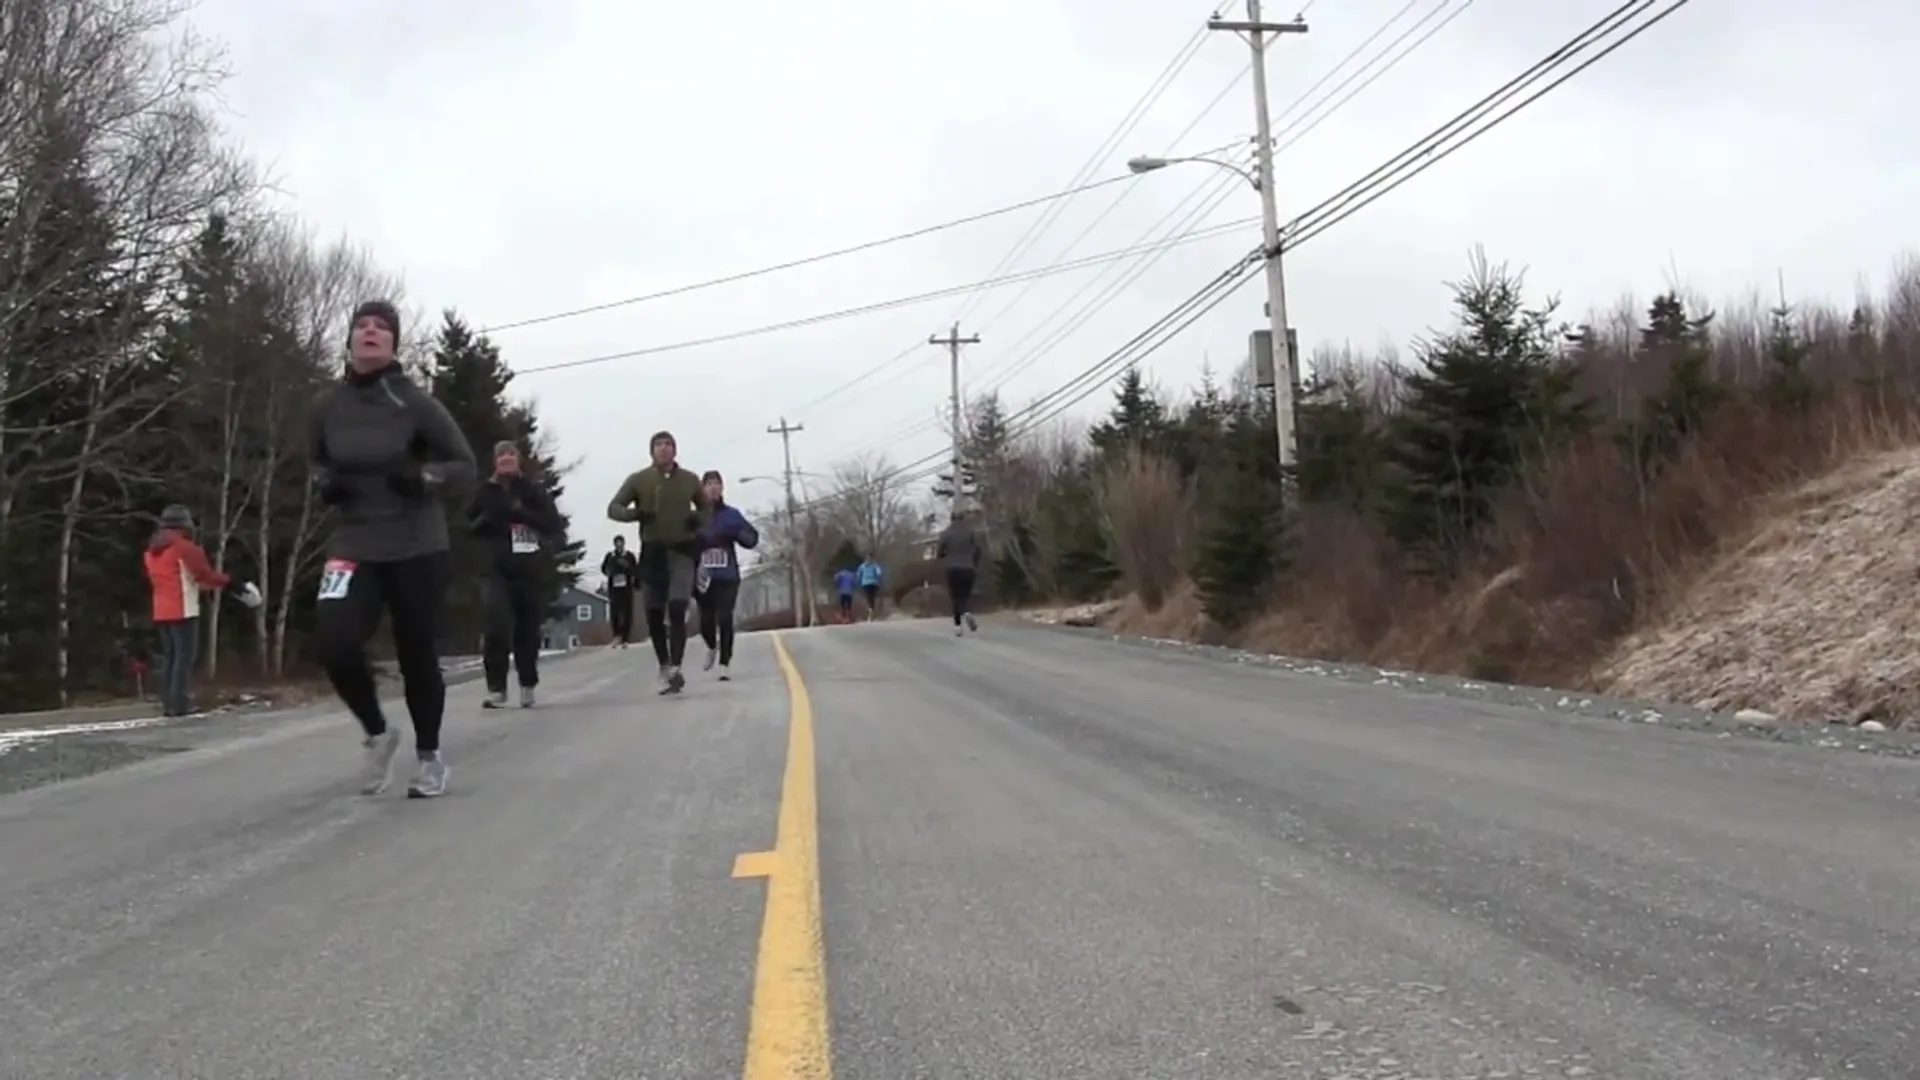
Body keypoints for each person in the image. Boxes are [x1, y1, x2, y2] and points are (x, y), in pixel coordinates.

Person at [310, 299, 476, 799]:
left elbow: (464, 465)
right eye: (361, 325)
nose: (370, 333)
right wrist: (326, 485)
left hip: (415, 542)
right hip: (354, 541)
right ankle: (379, 733)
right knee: (333, 643)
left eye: (382, 327)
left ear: (394, 343)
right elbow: (316, 462)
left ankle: (430, 758)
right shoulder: (327, 407)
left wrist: (423, 477)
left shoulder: (416, 403)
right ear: (350, 340)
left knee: (416, 654)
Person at [606, 430, 708, 694]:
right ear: (651, 451)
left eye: (668, 444)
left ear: (675, 450)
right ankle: (663, 664)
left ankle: (676, 667)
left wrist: (697, 520)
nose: (663, 449)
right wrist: (635, 514)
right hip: (653, 552)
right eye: (658, 445)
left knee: (676, 608)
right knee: (653, 613)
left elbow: (707, 509)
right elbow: (613, 508)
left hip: (682, 550)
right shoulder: (640, 480)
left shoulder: (689, 480)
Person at [141, 504, 260, 717]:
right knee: (184, 657)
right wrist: (231, 582)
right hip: (183, 608)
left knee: (171, 657)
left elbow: (183, 578)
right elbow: (204, 576)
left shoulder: (151, 551)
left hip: (161, 610)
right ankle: (180, 703)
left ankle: (169, 702)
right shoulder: (185, 548)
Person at [468, 440, 561, 709]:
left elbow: (552, 524)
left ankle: (527, 684)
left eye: (511, 454)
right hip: (494, 568)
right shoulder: (485, 491)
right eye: (501, 455)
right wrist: (483, 521)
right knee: (496, 624)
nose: (506, 458)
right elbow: (465, 524)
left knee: (527, 629)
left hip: (528, 569)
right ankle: (496, 688)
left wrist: (524, 514)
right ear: (495, 461)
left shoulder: (531, 491)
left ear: (518, 460)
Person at [693, 470, 759, 679]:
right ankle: (712, 646)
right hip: (703, 576)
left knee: (725, 617)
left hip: (727, 575)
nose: (713, 487)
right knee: (705, 621)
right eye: (708, 484)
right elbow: (682, 542)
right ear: (702, 489)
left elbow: (752, 538)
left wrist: (736, 534)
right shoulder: (695, 517)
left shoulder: (732, 515)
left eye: (716, 484)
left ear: (722, 488)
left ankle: (725, 663)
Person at [936, 507, 984, 637]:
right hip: (968, 566)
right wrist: (974, 561)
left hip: (952, 567)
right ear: (963, 519)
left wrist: (946, 554)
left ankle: (957, 626)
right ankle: (967, 611)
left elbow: (939, 552)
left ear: (951, 519)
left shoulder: (945, 533)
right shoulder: (970, 532)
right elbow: (978, 549)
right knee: (966, 594)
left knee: (955, 596)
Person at [601, 536, 638, 648]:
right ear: (614, 544)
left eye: (620, 543)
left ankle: (625, 637)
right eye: (617, 543)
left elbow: (635, 569)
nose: (619, 545)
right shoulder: (610, 556)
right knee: (615, 611)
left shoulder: (629, 556)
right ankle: (617, 635)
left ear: (624, 544)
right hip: (614, 586)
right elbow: (604, 569)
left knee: (627, 611)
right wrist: (610, 571)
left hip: (626, 586)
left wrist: (628, 569)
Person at [855, 552, 884, 621]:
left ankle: (871, 611)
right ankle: (872, 611)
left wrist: (857, 581)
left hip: (866, 583)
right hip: (873, 583)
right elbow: (879, 573)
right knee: (871, 597)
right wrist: (880, 579)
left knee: (869, 597)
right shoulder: (875, 565)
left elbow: (858, 574)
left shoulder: (863, 566)